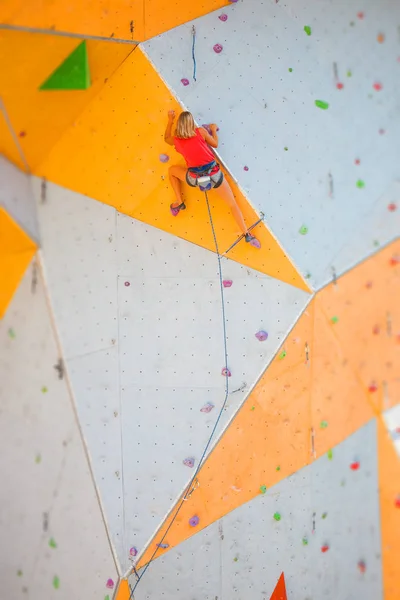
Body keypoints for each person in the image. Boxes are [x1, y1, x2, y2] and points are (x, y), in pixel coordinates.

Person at [164, 110, 260, 247]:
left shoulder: (177, 141)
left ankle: (179, 203)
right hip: (214, 175)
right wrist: (213, 130)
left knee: (172, 171)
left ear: (179, 125)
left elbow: (166, 138)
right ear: (191, 124)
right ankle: (247, 235)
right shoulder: (200, 132)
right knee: (232, 204)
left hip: (195, 178)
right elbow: (214, 144)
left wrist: (170, 120)